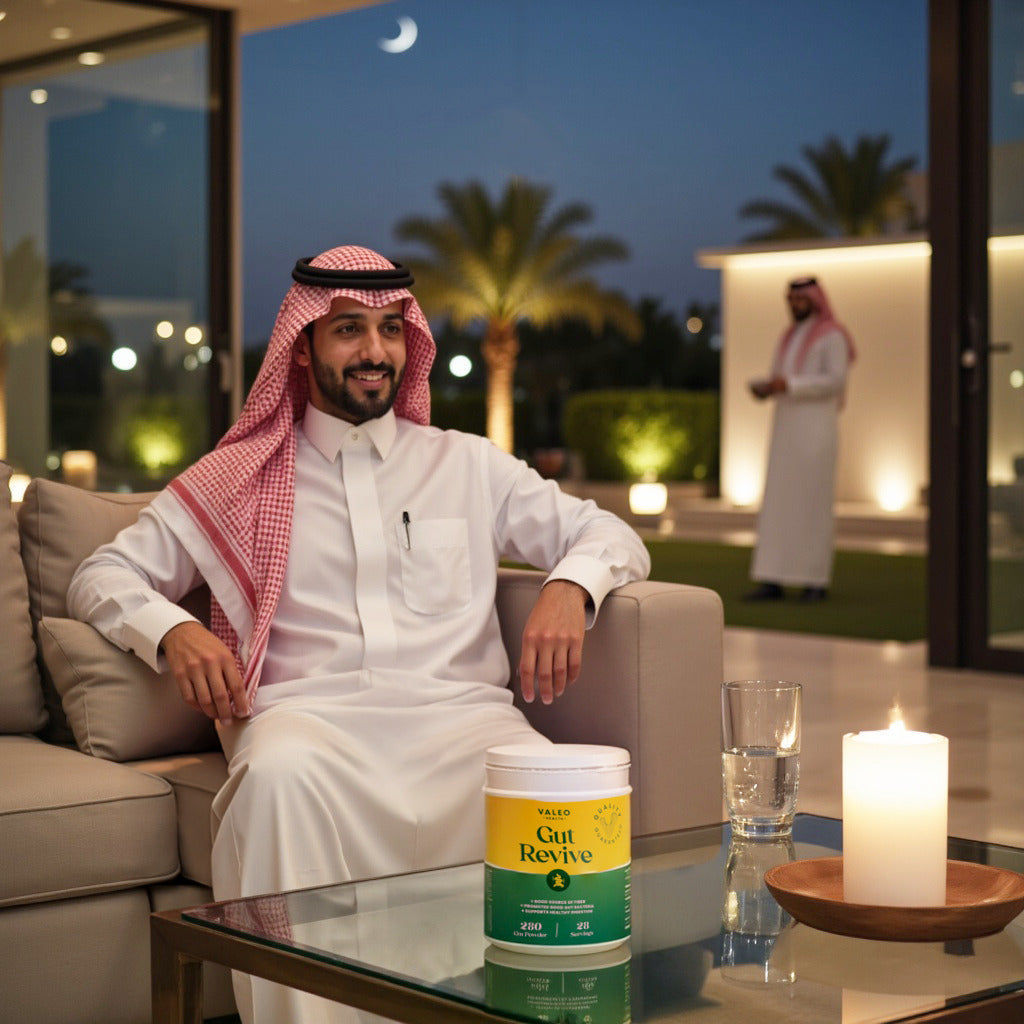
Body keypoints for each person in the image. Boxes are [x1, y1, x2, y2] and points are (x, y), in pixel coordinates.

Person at [67, 245, 650, 1024]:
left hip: (465, 730)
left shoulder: (467, 465)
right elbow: (101, 575)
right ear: (301, 347)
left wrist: (570, 586)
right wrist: (174, 631)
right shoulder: (237, 480)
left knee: (552, 789)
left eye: (390, 329)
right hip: (312, 728)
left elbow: (610, 534)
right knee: (275, 779)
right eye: (348, 329)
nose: (375, 350)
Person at [745, 277, 855, 602]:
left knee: (812, 505)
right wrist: (769, 387)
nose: (794, 305)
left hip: (815, 434)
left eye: (800, 299)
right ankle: (773, 578)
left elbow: (835, 381)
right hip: (785, 435)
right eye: (790, 299)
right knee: (779, 506)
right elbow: (781, 376)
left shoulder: (833, 335)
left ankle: (814, 580)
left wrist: (790, 385)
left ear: (814, 300)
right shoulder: (789, 336)